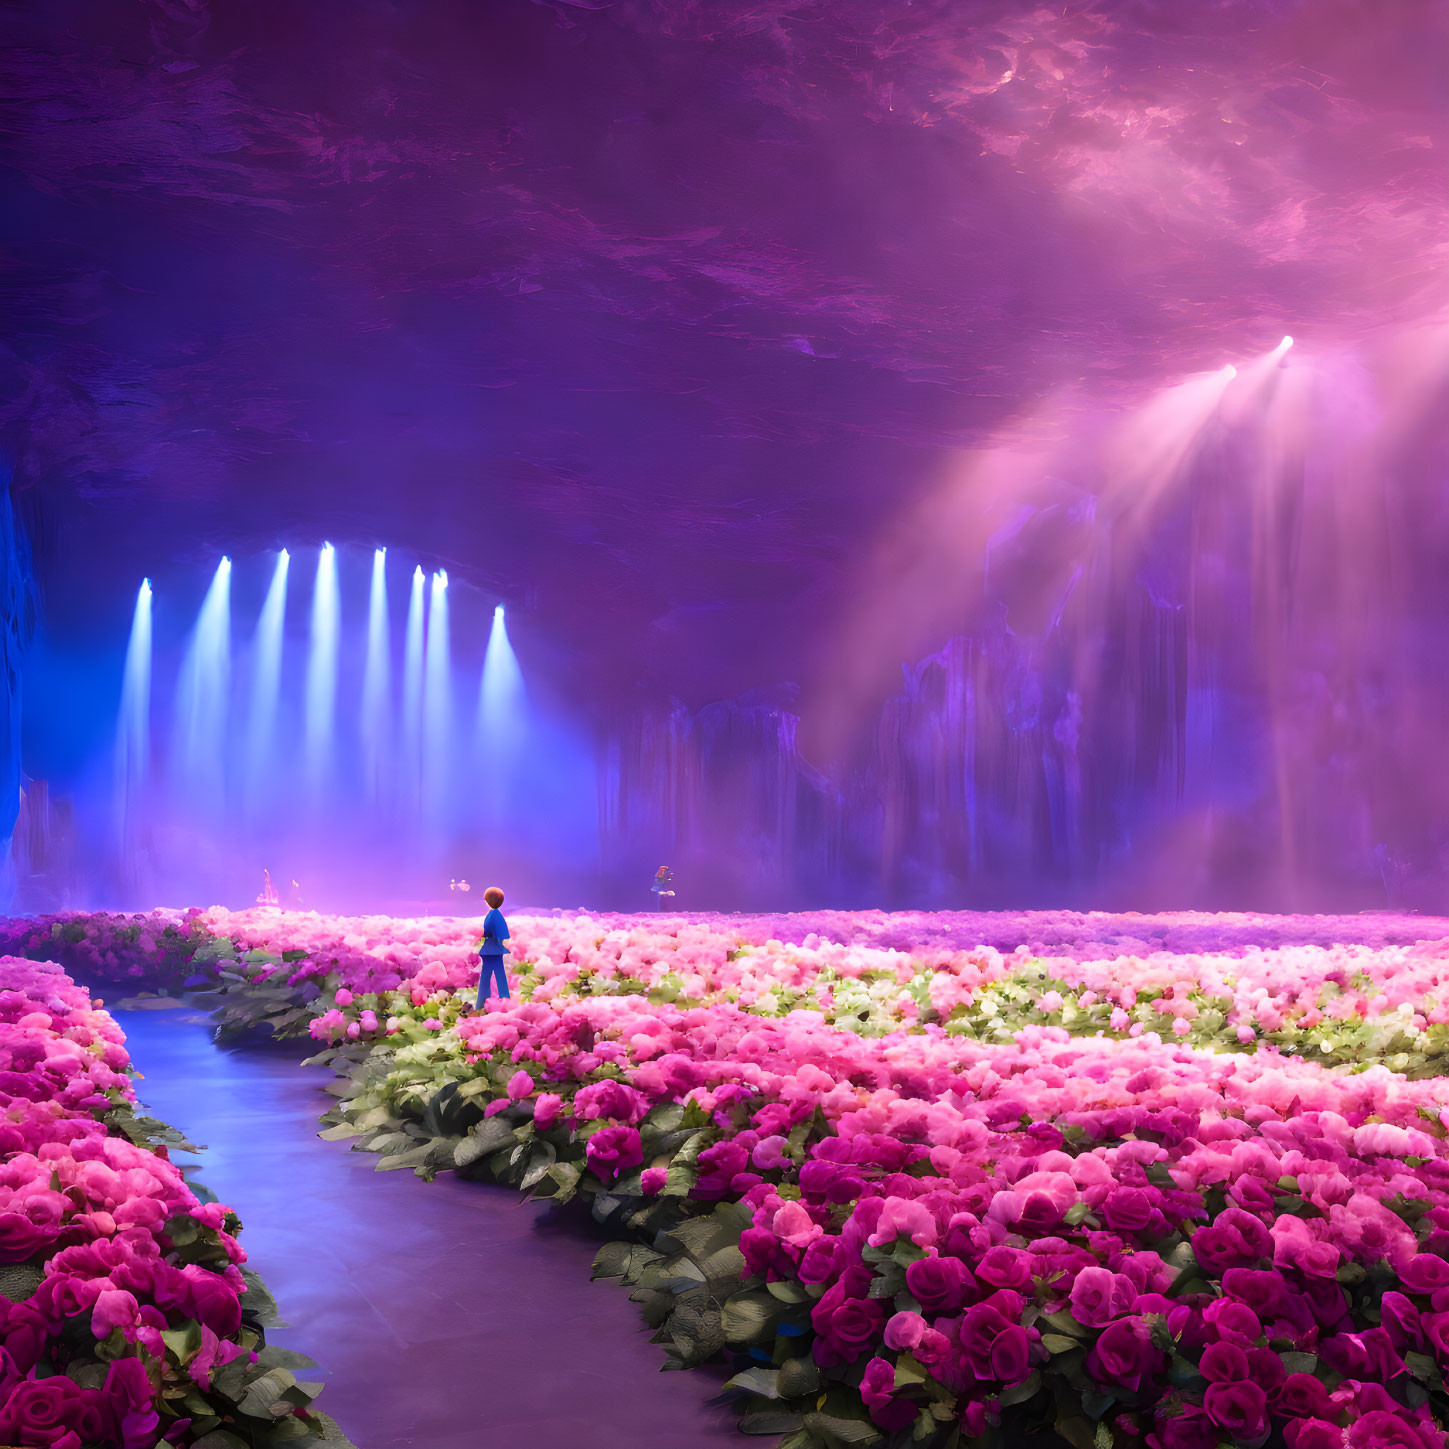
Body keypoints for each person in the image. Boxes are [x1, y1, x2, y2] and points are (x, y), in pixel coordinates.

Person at [475, 886, 511, 1007]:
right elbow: (503, 933)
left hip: (491, 948)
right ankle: (504, 1000)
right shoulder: (495, 914)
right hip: (494, 949)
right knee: (498, 976)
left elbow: (496, 932)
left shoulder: (493, 915)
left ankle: (482, 1003)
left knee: (488, 977)